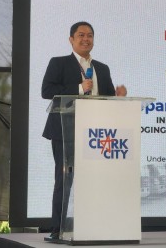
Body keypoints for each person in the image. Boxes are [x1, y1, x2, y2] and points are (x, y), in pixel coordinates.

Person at [41, 21, 127, 240]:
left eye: (90, 35)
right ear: (71, 39)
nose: (85, 39)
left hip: (94, 133)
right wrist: (80, 88)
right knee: (64, 180)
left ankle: (91, 225)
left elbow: (105, 99)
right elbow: (47, 90)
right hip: (65, 130)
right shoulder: (59, 63)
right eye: (81, 35)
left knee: (93, 180)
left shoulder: (103, 68)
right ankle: (58, 229)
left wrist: (117, 98)